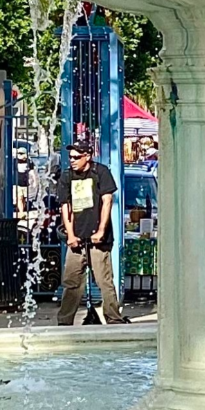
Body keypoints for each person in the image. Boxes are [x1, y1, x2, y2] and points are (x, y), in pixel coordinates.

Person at [53, 133, 127, 325]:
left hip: (97, 237)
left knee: (104, 281)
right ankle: (65, 320)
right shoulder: (67, 176)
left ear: (88, 156)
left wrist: (101, 230)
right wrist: (70, 234)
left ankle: (113, 318)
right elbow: (65, 206)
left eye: (77, 157)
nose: (73, 161)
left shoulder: (100, 172)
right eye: (70, 157)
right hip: (76, 236)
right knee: (71, 282)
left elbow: (107, 200)